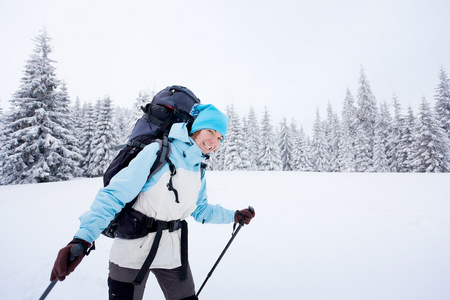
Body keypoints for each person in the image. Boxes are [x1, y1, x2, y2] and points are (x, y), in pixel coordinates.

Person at [50, 103, 256, 300]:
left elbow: (200, 210)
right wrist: (82, 239)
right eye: (211, 132)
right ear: (197, 128)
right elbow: (114, 195)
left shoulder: (198, 169)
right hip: (131, 251)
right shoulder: (158, 152)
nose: (214, 141)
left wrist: (234, 216)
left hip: (173, 254)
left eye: (220, 138)